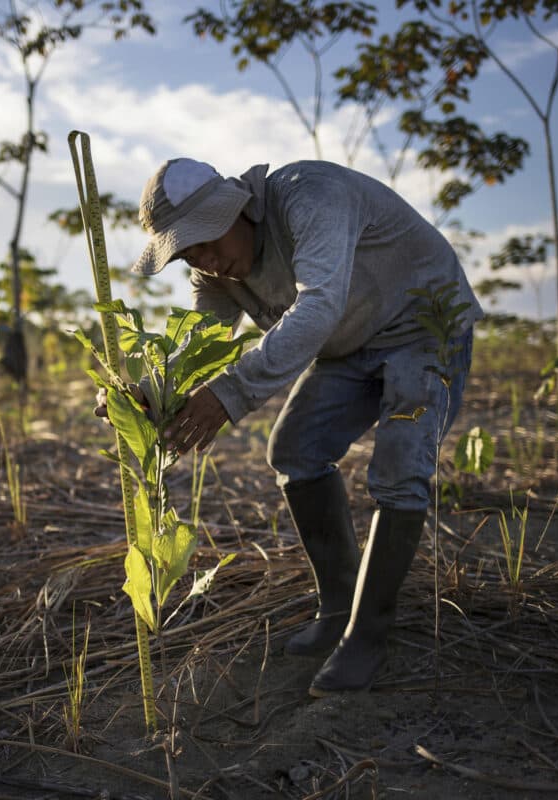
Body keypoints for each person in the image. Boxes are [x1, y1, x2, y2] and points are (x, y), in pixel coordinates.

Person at [124, 157, 481, 696]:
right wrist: (145, 394)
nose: (204, 259)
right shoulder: (216, 272)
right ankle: (338, 609)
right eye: (187, 251)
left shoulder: (310, 195)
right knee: (294, 449)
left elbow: (319, 305)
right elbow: (199, 345)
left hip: (424, 326)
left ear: (236, 208)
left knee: (399, 467)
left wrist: (232, 394)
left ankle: (368, 636)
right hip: (350, 344)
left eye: (205, 238)